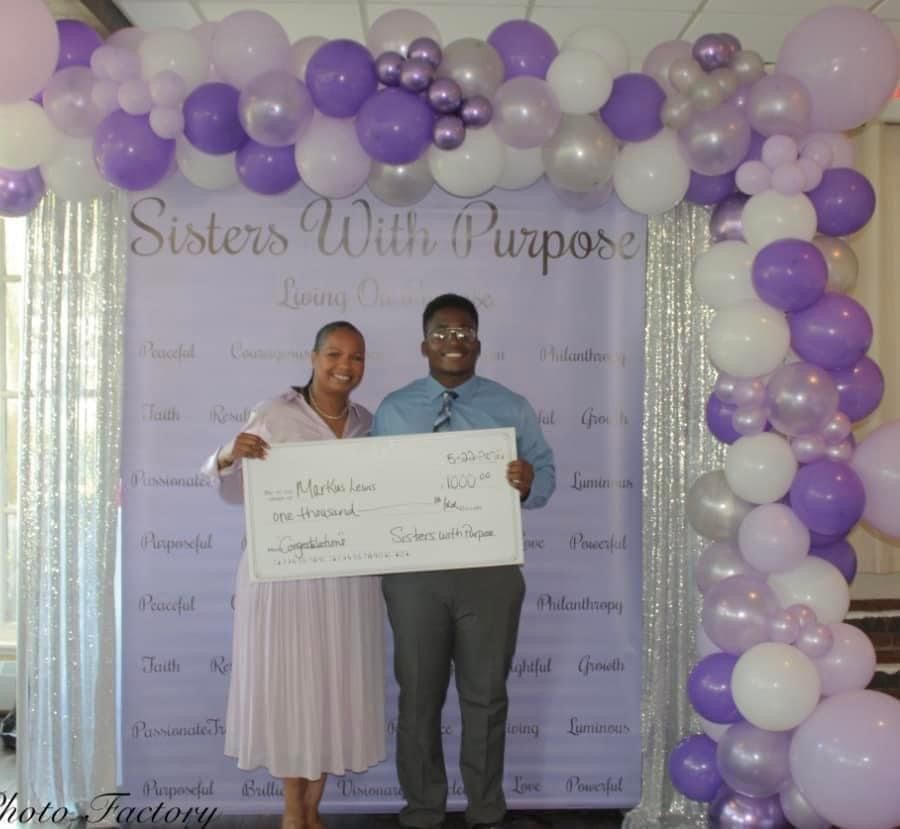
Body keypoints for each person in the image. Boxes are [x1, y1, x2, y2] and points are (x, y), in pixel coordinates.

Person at [372, 294, 556, 829]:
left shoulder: (510, 407)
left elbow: (546, 477)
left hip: (489, 572)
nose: (454, 340)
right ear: (423, 343)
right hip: (415, 575)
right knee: (418, 696)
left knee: (486, 697)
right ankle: (423, 806)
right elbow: (375, 487)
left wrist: (527, 481)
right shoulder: (394, 409)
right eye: (442, 331)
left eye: (464, 331)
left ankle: (486, 807)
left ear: (478, 341)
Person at [201, 321, 385, 829]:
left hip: (347, 582)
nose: (344, 366)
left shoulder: (369, 424)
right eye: (333, 354)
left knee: (333, 687)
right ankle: (290, 811)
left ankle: (313, 811)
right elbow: (225, 483)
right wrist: (230, 453)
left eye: (356, 357)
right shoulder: (274, 414)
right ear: (313, 356)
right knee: (290, 687)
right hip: (282, 581)